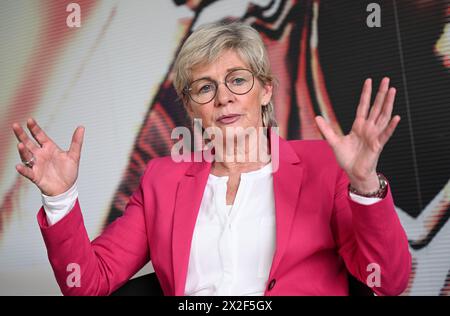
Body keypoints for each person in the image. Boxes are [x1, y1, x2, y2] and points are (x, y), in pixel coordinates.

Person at [12, 21, 411, 296]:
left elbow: (388, 282)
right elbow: (89, 283)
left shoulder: (324, 166)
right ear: (191, 107)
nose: (223, 97)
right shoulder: (161, 180)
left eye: (238, 80)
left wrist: (365, 184)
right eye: (204, 88)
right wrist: (61, 198)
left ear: (266, 91)